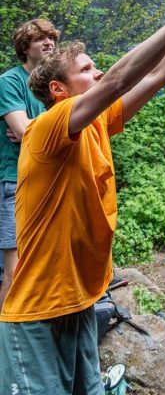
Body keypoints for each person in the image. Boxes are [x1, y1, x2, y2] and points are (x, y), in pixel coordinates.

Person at [0, 0, 165, 395]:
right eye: (88, 69)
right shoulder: (48, 127)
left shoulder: (96, 125)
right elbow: (120, 79)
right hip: (34, 313)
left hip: (78, 305)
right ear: (59, 89)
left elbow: (155, 76)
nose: (99, 71)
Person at [0, 18, 59, 307]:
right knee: (14, 270)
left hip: (46, 180)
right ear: (25, 47)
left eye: (51, 38)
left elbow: (34, 130)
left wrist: (35, 127)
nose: (49, 42)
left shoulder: (51, 84)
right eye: (40, 39)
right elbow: (23, 130)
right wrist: (35, 129)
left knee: (40, 265)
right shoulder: (10, 81)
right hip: (14, 181)